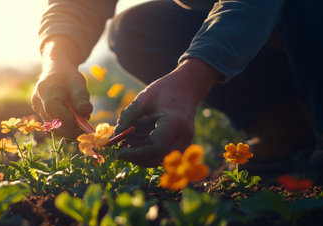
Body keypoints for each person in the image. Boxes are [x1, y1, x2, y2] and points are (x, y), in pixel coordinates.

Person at [31, 0, 323, 175]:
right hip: (269, 37)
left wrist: (193, 75)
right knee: (137, 30)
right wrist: (57, 59)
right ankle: (287, 128)